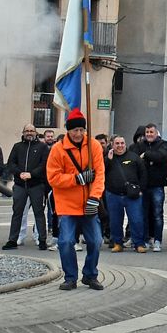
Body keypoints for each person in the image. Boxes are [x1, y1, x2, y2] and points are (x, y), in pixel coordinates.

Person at [45, 109, 106, 289]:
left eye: (81, 130)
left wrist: (95, 197)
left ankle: (89, 274)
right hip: (67, 205)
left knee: (96, 241)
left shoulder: (93, 145)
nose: (79, 134)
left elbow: (99, 174)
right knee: (65, 242)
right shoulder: (58, 149)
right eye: (75, 130)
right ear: (68, 131)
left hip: (89, 204)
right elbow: (53, 178)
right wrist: (76, 179)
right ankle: (70, 277)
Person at [3, 123, 50, 251]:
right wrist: (20, 173)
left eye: (31, 131)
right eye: (27, 131)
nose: (29, 133)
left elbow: (44, 164)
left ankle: (42, 240)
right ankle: (12, 240)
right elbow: (11, 163)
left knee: (39, 213)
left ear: (35, 133)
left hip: (36, 185)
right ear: (23, 133)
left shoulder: (43, 147)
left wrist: (31, 174)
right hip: (19, 185)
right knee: (17, 213)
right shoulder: (17, 147)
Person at [103, 134, 146, 253]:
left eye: (122, 143)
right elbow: (101, 172)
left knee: (136, 220)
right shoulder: (108, 158)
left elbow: (143, 174)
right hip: (113, 194)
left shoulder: (134, 157)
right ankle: (118, 243)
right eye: (117, 143)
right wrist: (108, 160)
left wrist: (141, 189)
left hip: (132, 195)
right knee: (115, 221)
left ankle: (139, 244)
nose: (120, 146)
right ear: (112, 145)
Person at [133, 124, 167, 251]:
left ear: (156, 133)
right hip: (142, 186)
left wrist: (146, 155)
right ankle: (144, 239)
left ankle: (157, 240)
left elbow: (161, 157)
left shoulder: (163, 144)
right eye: (147, 132)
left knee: (157, 214)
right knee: (143, 214)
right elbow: (135, 160)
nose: (149, 134)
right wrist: (150, 158)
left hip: (157, 186)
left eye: (151, 132)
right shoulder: (138, 145)